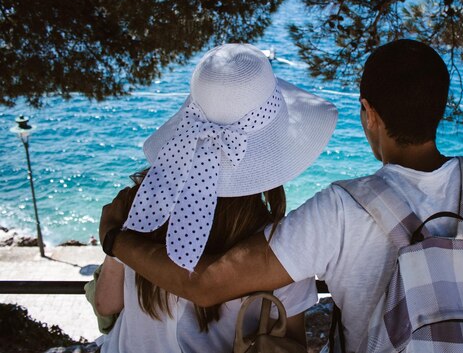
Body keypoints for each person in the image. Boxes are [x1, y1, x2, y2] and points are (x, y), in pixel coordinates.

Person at [100, 39, 463, 352]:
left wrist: (116, 239)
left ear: (369, 114)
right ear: (443, 106)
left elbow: (208, 284)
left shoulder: (342, 208)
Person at [94, 43, 338, 352]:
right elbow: (290, 343)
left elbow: (106, 303)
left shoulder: (142, 205)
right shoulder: (274, 249)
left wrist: (115, 241)